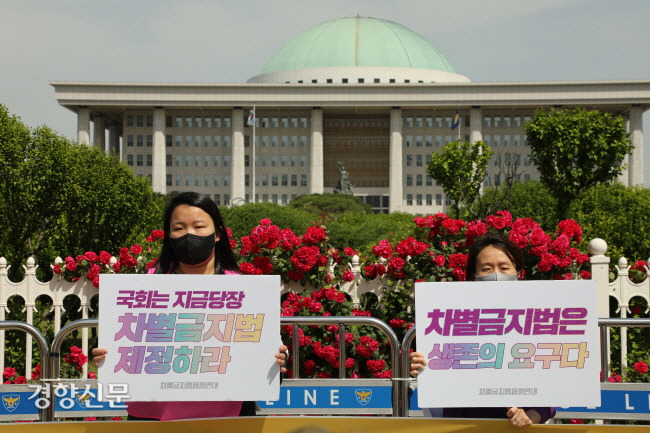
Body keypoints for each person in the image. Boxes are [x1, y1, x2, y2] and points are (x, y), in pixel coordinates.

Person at [92, 191, 288, 421]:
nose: (189, 235)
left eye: (198, 226)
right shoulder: (143, 288)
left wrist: (278, 360)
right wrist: (102, 355)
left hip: (228, 416)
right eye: (179, 228)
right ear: (168, 235)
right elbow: (116, 343)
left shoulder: (243, 290)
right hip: (153, 417)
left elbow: (263, 356)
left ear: (217, 234)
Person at [409, 233, 556, 427]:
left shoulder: (539, 320)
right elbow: (439, 383)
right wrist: (423, 368)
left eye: (504, 268)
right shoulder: (451, 319)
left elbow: (555, 382)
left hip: (516, 429)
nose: (496, 274)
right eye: (487, 269)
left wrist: (533, 414)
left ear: (518, 273)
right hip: (463, 426)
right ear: (474, 275)